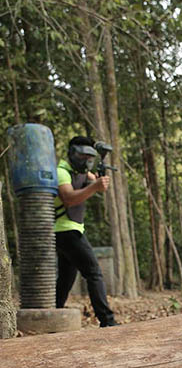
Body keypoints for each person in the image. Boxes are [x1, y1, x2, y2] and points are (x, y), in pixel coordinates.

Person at [54, 136, 118, 327]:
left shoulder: (80, 172)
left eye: (89, 158)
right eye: (82, 156)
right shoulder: (61, 172)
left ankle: (53, 312)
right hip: (65, 230)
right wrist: (95, 186)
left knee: (66, 278)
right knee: (93, 272)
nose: (86, 161)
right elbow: (68, 198)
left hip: (70, 229)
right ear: (72, 154)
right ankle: (107, 321)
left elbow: (97, 184)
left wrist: (98, 181)